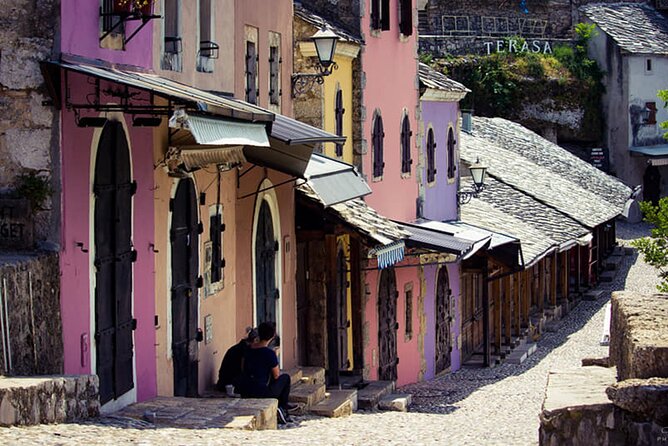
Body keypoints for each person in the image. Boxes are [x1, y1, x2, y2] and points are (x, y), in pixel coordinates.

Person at [237, 321, 295, 424]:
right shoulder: (269, 353)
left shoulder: (248, 350)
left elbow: (242, 368)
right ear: (272, 336)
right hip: (262, 392)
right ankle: (283, 408)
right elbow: (276, 375)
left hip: (245, 389)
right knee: (285, 378)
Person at [216, 327, 258, 394]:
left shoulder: (238, 347)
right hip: (231, 385)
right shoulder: (244, 351)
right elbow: (244, 370)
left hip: (226, 383)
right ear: (255, 340)